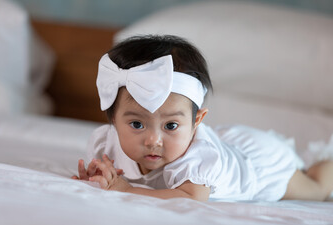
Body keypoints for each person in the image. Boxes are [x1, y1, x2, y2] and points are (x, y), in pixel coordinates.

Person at [72, 35, 333, 202]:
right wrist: (100, 177)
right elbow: (115, 174)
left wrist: (126, 191)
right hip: (228, 145)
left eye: (171, 125)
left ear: (197, 121)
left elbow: (190, 197)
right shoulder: (106, 144)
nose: (153, 140)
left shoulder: (198, 158)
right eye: (137, 124)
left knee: (316, 188)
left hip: (257, 167)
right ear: (113, 121)